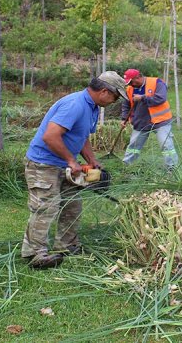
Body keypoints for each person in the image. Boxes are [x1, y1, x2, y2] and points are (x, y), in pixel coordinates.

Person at [21, 71, 127, 269]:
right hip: (44, 163)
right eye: (116, 96)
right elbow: (50, 136)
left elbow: (82, 135)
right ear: (105, 91)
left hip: (62, 164)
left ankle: (67, 246)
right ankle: (35, 254)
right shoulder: (75, 105)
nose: (115, 101)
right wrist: (71, 160)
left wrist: (91, 160)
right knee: (45, 207)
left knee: (72, 205)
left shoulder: (92, 107)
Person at [121, 69, 179, 170]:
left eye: (131, 82)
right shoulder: (130, 89)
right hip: (140, 122)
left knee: (166, 145)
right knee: (133, 147)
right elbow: (126, 104)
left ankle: (172, 169)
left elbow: (160, 98)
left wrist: (142, 98)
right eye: (129, 83)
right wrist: (123, 118)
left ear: (138, 77)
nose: (130, 84)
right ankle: (127, 167)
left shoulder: (157, 83)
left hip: (161, 121)